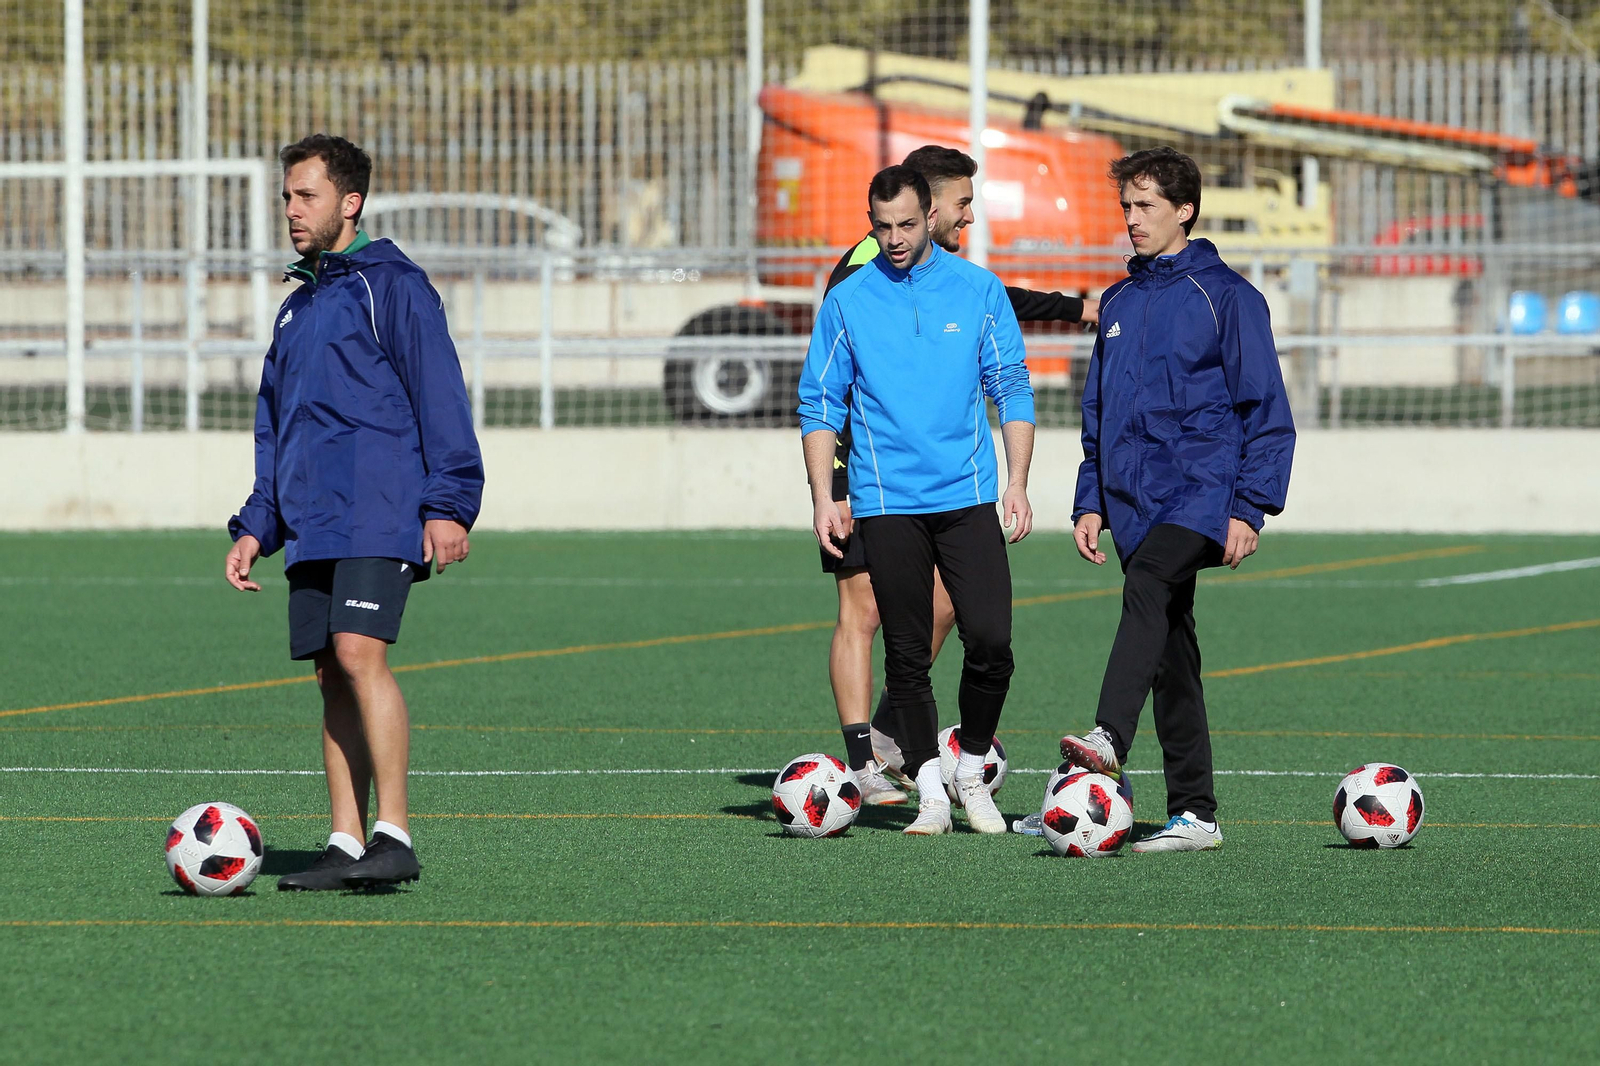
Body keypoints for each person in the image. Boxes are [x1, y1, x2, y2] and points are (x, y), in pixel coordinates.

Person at [225, 134, 485, 889]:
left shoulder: (393, 285)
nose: (291, 210)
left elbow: (441, 397)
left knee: (359, 653)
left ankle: (393, 833)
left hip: (379, 508)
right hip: (311, 521)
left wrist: (449, 503)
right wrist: (257, 524)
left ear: (351, 202)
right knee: (330, 674)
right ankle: (343, 843)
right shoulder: (296, 307)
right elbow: (276, 428)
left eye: (306, 196)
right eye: (286, 196)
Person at [817, 145, 1099, 805]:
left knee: (945, 603)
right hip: (868, 473)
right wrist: (840, 488)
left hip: (930, 482)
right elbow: (841, 379)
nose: (969, 218)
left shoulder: (947, 271)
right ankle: (862, 760)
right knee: (862, 612)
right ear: (931, 202)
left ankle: (890, 736)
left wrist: (1077, 308)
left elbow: (994, 301)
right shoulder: (865, 269)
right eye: (964, 205)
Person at [1058, 147, 1295, 852]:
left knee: (1152, 580)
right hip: (1132, 502)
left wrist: (1249, 505)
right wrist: (1090, 499)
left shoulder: (1227, 298)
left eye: (1146, 207)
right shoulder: (1120, 303)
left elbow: (1267, 410)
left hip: (1202, 493)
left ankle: (1109, 734)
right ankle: (1197, 814)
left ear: (1184, 209)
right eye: (1126, 208)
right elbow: (1097, 412)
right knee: (1171, 653)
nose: (1131, 220)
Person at [798, 165, 1036, 835]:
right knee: (905, 654)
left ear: (930, 214)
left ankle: (974, 766)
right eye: (881, 226)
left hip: (966, 498)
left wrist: (1016, 482)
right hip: (885, 500)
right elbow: (818, 402)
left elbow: (1012, 387)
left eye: (906, 224)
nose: (894, 238)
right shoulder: (849, 300)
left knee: (991, 642)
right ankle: (932, 788)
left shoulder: (978, 289)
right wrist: (826, 497)